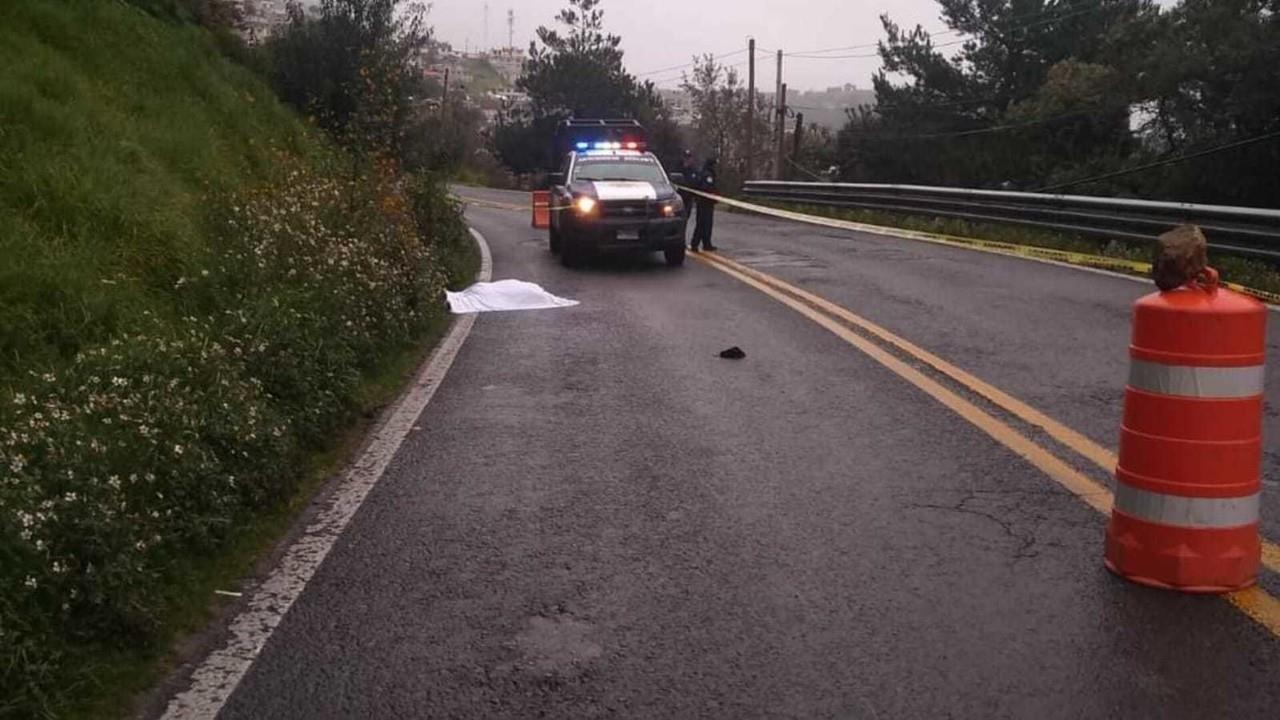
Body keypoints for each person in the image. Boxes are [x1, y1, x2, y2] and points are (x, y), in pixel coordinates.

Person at [690, 157, 718, 252]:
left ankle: (706, 243)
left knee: (704, 224)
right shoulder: (708, 175)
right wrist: (713, 195)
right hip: (705, 203)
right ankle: (696, 244)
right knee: (703, 224)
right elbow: (707, 188)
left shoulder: (702, 172)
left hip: (702, 202)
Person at [677, 150, 697, 221]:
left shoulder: (694, 170)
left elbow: (696, 183)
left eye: (689, 158)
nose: (687, 160)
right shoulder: (678, 168)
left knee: (686, 217)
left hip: (689, 198)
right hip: (678, 197)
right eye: (686, 157)